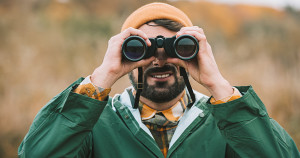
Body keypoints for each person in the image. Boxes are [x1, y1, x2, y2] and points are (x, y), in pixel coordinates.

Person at [18, 2, 299, 158]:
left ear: (195, 53)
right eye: (142, 49)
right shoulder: (94, 122)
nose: (159, 59)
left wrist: (219, 87)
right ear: (123, 53)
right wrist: (103, 76)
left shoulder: (223, 121)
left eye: (179, 48)